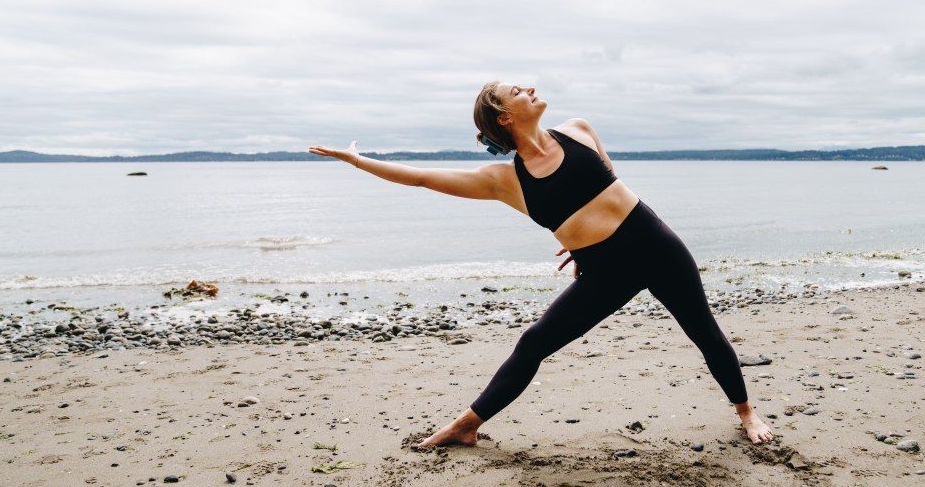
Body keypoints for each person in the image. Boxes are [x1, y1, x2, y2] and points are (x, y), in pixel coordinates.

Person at [308, 81, 775, 446]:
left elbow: (608, 185)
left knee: (703, 330)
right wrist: (358, 160)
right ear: (504, 116)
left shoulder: (579, 129)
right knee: (534, 342)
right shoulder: (504, 180)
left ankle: (747, 414)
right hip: (604, 269)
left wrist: (585, 233)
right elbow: (423, 178)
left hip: (656, 245)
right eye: (517, 91)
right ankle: (467, 425)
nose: (529, 88)